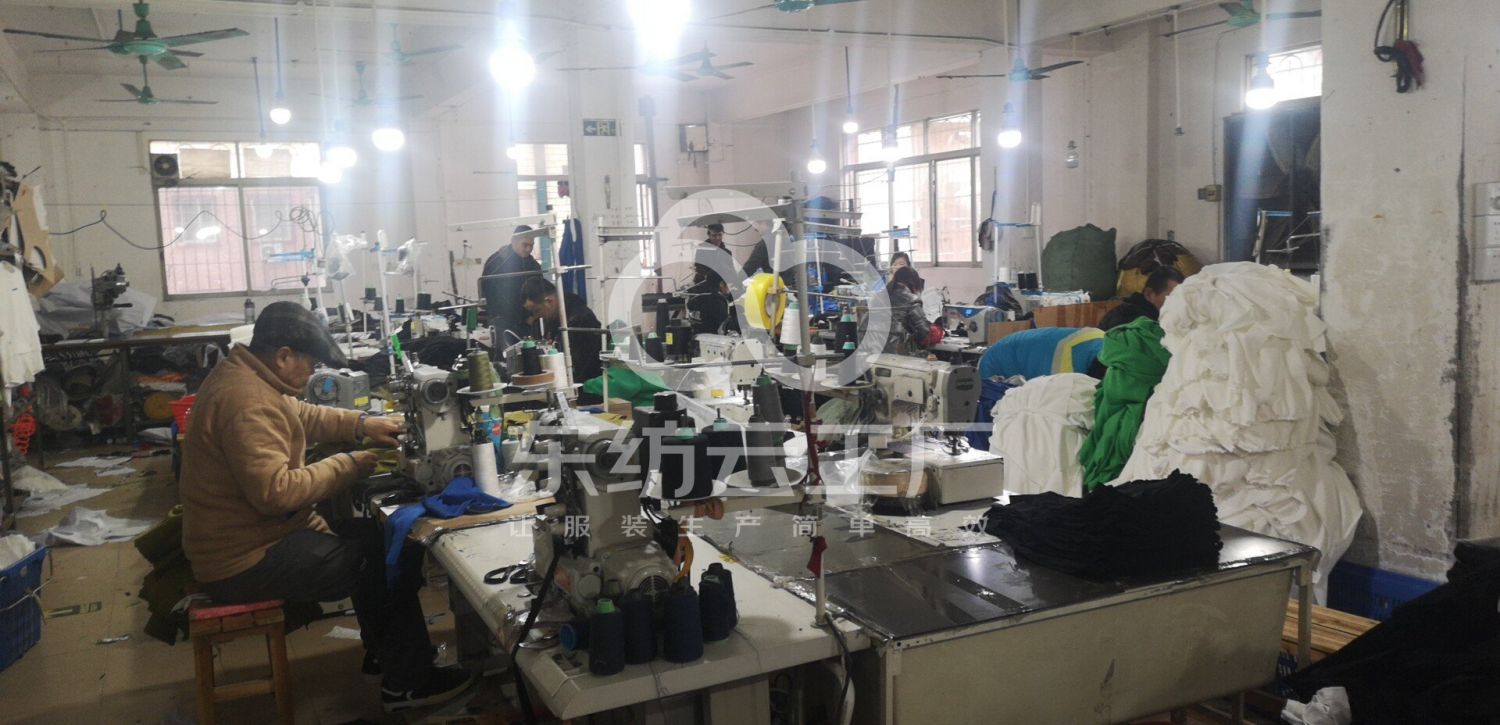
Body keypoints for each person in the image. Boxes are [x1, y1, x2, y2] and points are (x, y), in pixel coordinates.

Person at [180, 302, 472, 711]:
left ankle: (387, 655)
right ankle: (410, 682)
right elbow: (276, 492)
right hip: (242, 563)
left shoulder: (246, 376)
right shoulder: (246, 400)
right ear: (284, 356)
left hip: (247, 541)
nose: (314, 371)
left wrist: (360, 424)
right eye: (312, 362)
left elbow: (299, 414)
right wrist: (348, 465)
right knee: (383, 557)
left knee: (374, 538)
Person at [521, 276, 604, 387]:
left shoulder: (580, 319)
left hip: (584, 387)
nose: (536, 316)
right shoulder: (553, 319)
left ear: (549, 301)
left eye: (537, 310)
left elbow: (585, 368)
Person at [480, 225, 542, 344]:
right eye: (525, 245)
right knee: (505, 352)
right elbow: (486, 290)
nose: (528, 249)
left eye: (531, 245)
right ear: (514, 241)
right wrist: (496, 316)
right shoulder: (496, 262)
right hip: (502, 321)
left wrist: (532, 317)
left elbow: (540, 293)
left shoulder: (533, 266)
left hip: (528, 321)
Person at [1097, 267, 1184, 331]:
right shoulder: (1130, 319)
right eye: (1172, 296)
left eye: (1182, 298)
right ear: (1149, 294)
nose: (1178, 304)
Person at [883, 266, 940, 354]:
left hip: (868, 350)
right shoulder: (912, 299)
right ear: (914, 283)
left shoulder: (879, 296)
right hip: (893, 354)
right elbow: (924, 333)